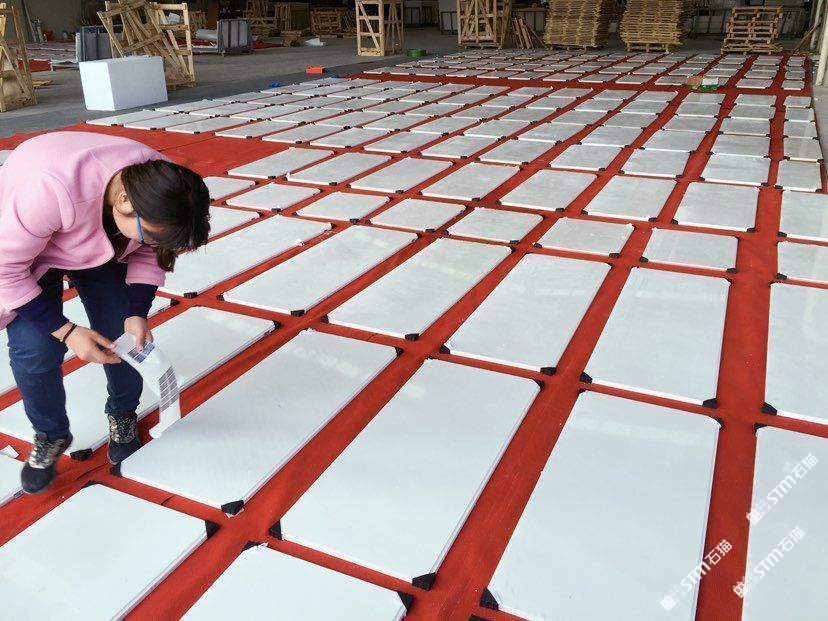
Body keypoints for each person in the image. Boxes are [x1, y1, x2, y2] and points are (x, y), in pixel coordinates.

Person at [0, 131, 211, 494]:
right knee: (35, 348)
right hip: (29, 248)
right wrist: (67, 332)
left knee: (122, 336)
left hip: (98, 237)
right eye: (149, 235)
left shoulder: (170, 189)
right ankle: (50, 434)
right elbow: (6, 270)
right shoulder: (46, 189)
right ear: (124, 199)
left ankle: (122, 412)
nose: (151, 243)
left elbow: (153, 251)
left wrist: (137, 311)